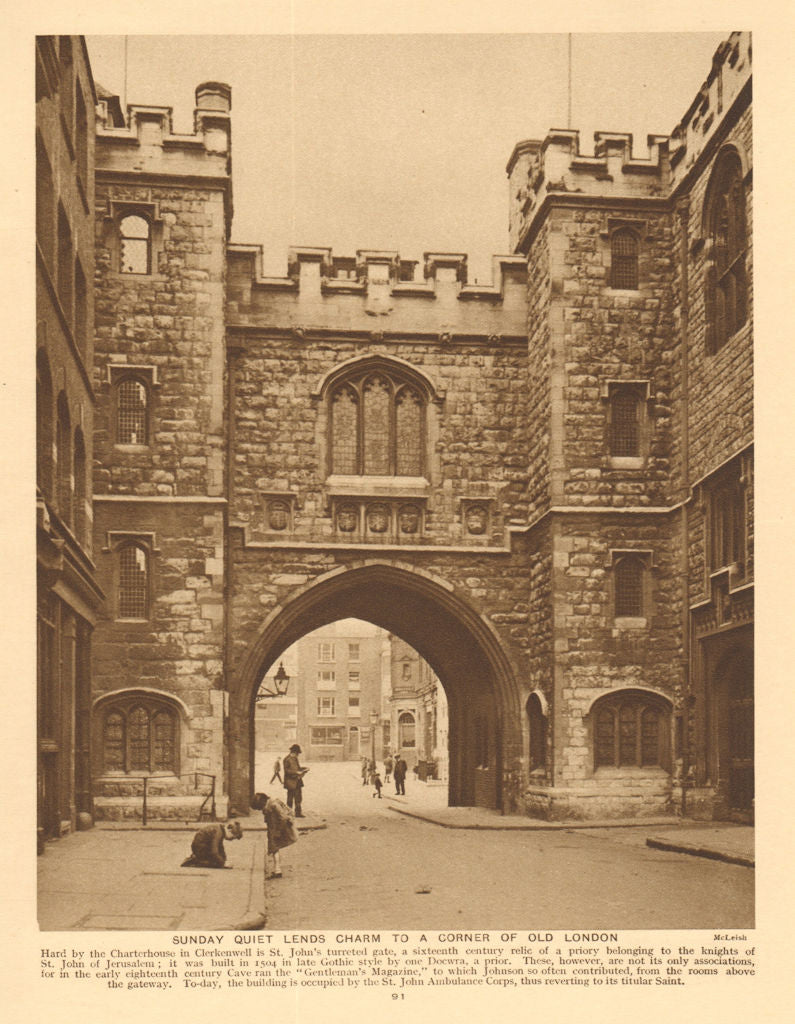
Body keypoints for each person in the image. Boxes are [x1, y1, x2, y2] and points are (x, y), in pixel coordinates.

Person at [251, 792, 298, 879]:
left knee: (275, 847)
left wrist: (278, 831)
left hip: (277, 829)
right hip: (273, 829)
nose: (261, 810)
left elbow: (283, 818)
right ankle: (277, 868)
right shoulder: (271, 804)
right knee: (274, 848)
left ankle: (277, 869)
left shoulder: (273, 805)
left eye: (260, 808)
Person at [283, 743, 309, 817]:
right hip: (290, 782)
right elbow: (286, 771)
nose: (297, 755)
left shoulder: (295, 759)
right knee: (290, 798)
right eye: (297, 753)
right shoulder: (286, 759)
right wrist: (296, 772)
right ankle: (289, 813)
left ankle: (298, 813)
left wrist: (304, 769)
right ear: (293, 752)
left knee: (298, 798)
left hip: (298, 781)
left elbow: (298, 767)